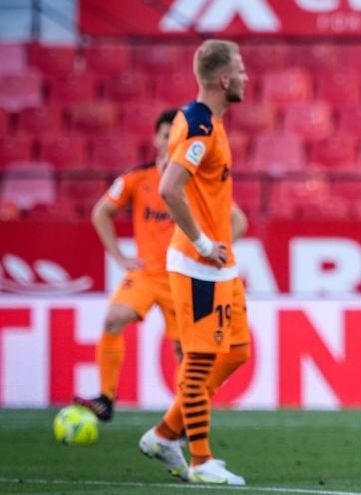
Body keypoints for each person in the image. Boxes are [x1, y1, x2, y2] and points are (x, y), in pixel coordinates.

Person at [75, 112, 248, 422]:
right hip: (146, 274)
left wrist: (211, 250)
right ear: (155, 139)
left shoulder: (195, 181)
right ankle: (106, 397)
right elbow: (101, 212)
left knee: (186, 354)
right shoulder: (137, 179)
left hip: (182, 275)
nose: (169, 141)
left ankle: (180, 421)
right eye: (165, 135)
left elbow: (238, 220)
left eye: (174, 135)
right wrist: (118, 256)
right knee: (114, 318)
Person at [138, 40, 252, 486]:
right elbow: (169, 187)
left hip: (221, 263)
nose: (245, 77)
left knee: (237, 351)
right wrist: (203, 241)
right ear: (224, 79)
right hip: (198, 263)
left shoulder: (206, 122)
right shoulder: (201, 126)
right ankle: (201, 460)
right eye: (240, 70)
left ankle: (166, 432)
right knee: (200, 359)